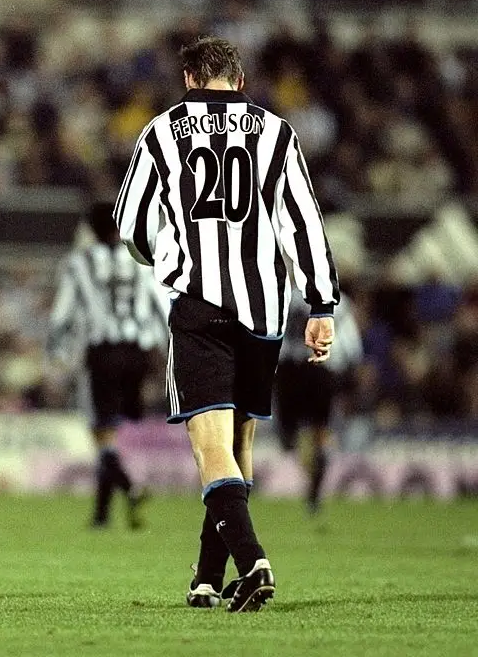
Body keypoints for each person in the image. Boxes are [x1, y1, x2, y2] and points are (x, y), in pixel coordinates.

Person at [113, 37, 339, 612]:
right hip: (260, 310)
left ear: (189, 78)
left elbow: (131, 223)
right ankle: (207, 579)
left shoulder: (162, 132)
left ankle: (253, 560)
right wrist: (321, 306)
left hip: (199, 307)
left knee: (209, 446)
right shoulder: (277, 132)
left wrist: (161, 255)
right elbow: (304, 224)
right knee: (239, 445)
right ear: (240, 81)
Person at [48, 201, 169, 529]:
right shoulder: (142, 261)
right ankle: (102, 516)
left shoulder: (79, 263)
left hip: (102, 354)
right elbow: (162, 307)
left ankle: (129, 486)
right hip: (137, 355)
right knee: (111, 432)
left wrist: (55, 350)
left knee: (101, 432)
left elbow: (62, 313)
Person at [276, 292, 362, 514]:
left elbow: (276, 334)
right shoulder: (338, 300)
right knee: (317, 432)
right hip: (318, 371)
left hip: (296, 370)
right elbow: (351, 345)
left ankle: (312, 480)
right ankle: (315, 486)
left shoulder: (288, 296)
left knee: (296, 435)